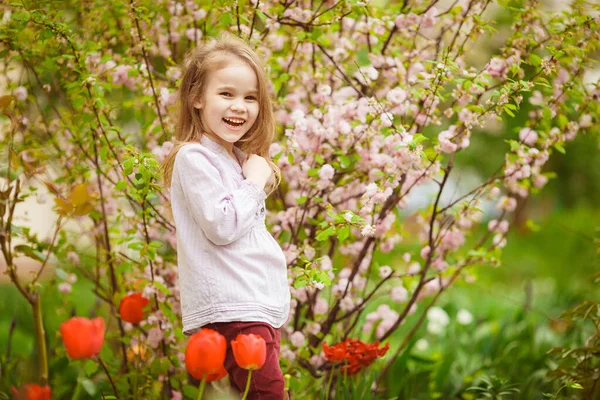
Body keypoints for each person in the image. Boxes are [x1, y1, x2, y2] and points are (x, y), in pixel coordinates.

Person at [161, 33, 290, 399]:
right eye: (227, 94)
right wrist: (255, 182)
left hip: (252, 307)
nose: (240, 106)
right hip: (235, 310)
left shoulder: (234, 159)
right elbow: (222, 226)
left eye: (250, 98)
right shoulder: (194, 158)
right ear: (197, 98)